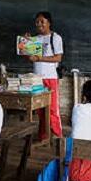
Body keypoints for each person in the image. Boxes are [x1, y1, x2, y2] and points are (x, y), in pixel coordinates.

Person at [25, 11, 63, 140]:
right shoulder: (36, 39)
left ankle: (58, 136)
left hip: (50, 78)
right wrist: (26, 44)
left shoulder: (55, 38)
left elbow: (58, 58)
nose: (39, 24)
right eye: (37, 22)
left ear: (49, 23)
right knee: (40, 110)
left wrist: (40, 58)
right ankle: (44, 136)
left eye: (42, 21)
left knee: (52, 109)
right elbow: (31, 58)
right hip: (37, 79)